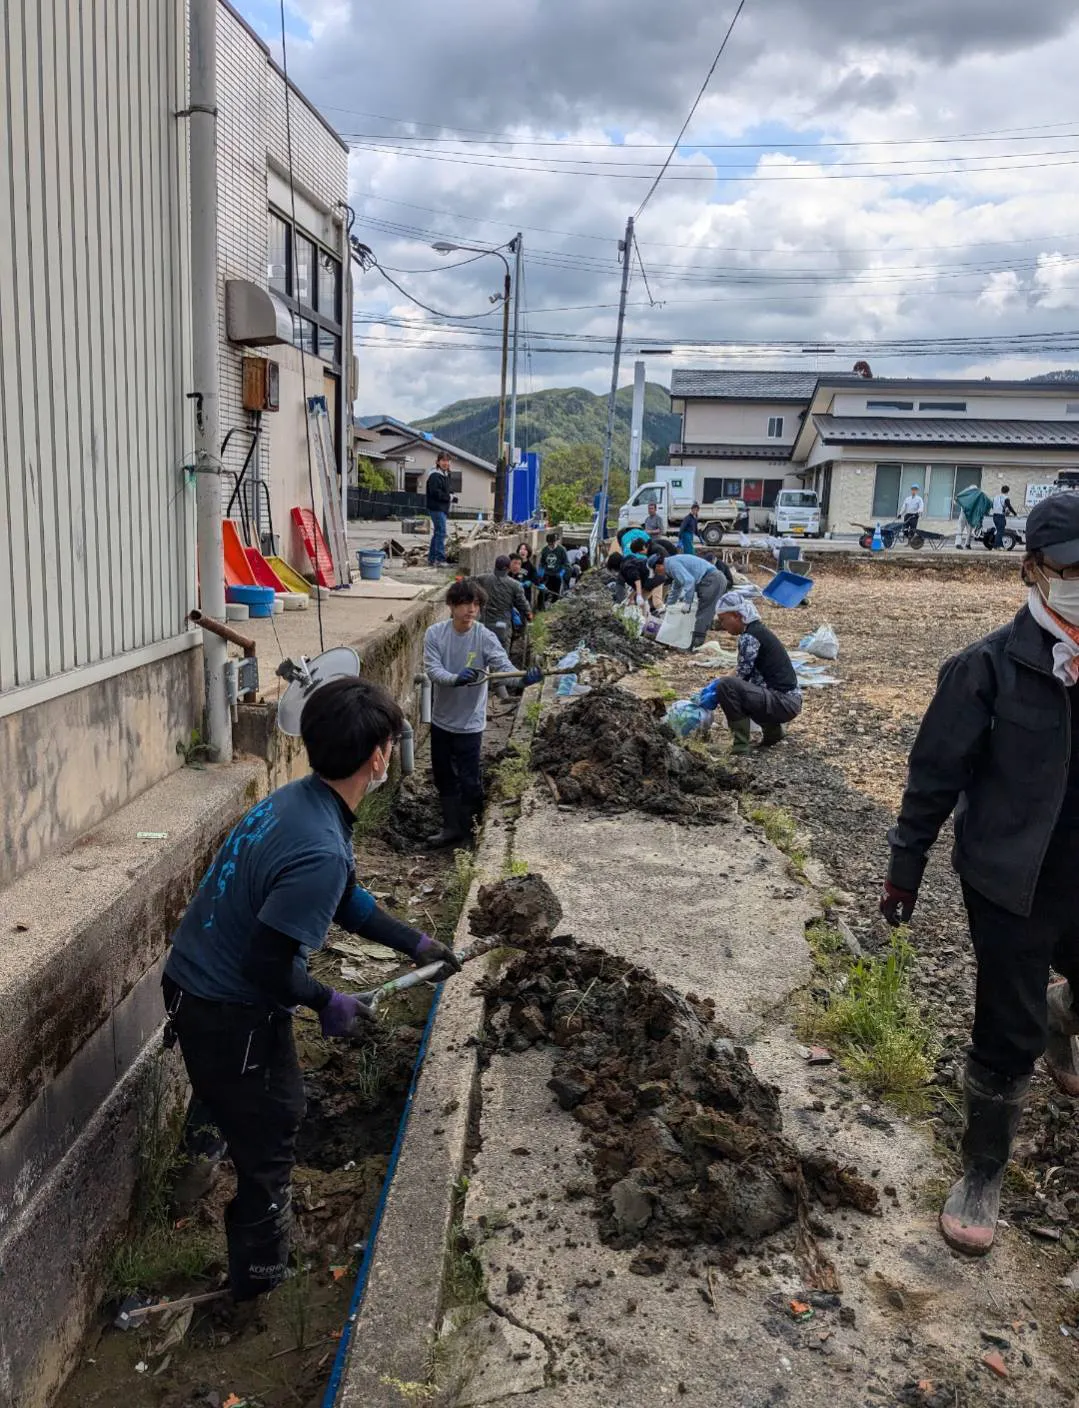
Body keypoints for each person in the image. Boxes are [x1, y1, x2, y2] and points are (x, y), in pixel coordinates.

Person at [161, 678, 461, 1308]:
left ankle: (183, 1187)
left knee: (222, 1090)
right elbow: (269, 966)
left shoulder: (300, 800)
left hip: (191, 984)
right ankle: (255, 1286)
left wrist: (414, 943)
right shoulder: (320, 845)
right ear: (377, 757)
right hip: (230, 1010)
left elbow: (344, 897)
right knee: (274, 1129)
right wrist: (328, 1002)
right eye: (391, 743)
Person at [881, 494, 1079, 1257]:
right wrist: (904, 869)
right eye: (1071, 569)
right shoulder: (985, 668)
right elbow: (933, 774)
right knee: (1004, 1030)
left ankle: (1061, 1016)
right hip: (1009, 877)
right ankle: (981, 1168)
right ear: (1033, 569)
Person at [424, 578, 541, 845]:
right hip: (442, 721)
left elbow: (503, 667)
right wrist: (455, 679)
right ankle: (450, 827)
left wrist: (523, 679)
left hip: (470, 724)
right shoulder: (435, 634)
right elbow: (433, 670)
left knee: (470, 780)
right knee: (444, 776)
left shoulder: (485, 637)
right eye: (466, 604)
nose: (471, 610)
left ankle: (470, 832)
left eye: (476, 604)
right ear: (451, 605)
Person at [698, 593, 802, 753]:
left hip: (782, 702)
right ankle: (773, 732)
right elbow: (743, 669)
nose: (722, 625)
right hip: (788, 701)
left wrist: (718, 688)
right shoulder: (758, 631)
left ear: (736, 616)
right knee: (733, 687)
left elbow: (740, 675)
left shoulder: (750, 637)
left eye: (723, 619)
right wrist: (716, 684)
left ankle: (740, 745)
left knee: (727, 687)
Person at [664, 550, 733, 649]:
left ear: (659, 566)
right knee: (701, 612)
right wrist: (668, 605)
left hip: (712, 580)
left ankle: (696, 643)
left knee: (705, 612)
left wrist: (688, 602)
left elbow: (689, 581)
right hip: (709, 579)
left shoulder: (671, 565)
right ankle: (692, 640)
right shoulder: (672, 565)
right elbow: (676, 586)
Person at [477, 555, 532, 652]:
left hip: (485, 623)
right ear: (508, 568)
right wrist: (529, 614)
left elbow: (468, 580)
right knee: (502, 652)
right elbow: (522, 603)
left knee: (482, 650)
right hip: (502, 625)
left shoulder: (484, 578)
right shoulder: (515, 585)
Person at [425, 452, 453, 566]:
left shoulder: (445, 474)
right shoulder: (435, 475)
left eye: (447, 461)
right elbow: (435, 493)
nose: (446, 463)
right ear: (438, 462)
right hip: (436, 507)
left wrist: (451, 495)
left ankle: (432, 559)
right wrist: (449, 497)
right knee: (441, 532)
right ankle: (440, 559)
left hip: (442, 508)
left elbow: (446, 490)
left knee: (438, 532)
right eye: (443, 460)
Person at [955, 484, 992, 550]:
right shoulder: (979, 495)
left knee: (960, 528)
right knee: (969, 530)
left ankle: (958, 543)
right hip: (972, 515)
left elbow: (957, 500)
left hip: (963, 513)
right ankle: (967, 544)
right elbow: (987, 501)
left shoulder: (966, 494)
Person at [537, 531, 570, 606]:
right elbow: (542, 563)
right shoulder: (545, 550)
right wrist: (540, 574)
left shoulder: (562, 550)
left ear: (556, 541)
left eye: (553, 543)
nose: (551, 546)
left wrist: (561, 573)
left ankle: (553, 607)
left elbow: (566, 564)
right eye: (550, 544)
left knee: (556, 594)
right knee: (542, 593)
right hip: (547, 575)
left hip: (556, 575)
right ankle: (540, 608)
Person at [986, 485, 1017, 550]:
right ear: (1008, 491)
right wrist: (1015, 514)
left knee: (999, 531)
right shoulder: (1006, 498)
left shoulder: (995, 497)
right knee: (1000, 532)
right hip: (1000, 516)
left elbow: (992, 505)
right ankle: (996, 546)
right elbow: (1009, 507)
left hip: (994, 516)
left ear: (1001, 490)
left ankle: (1000, 546)